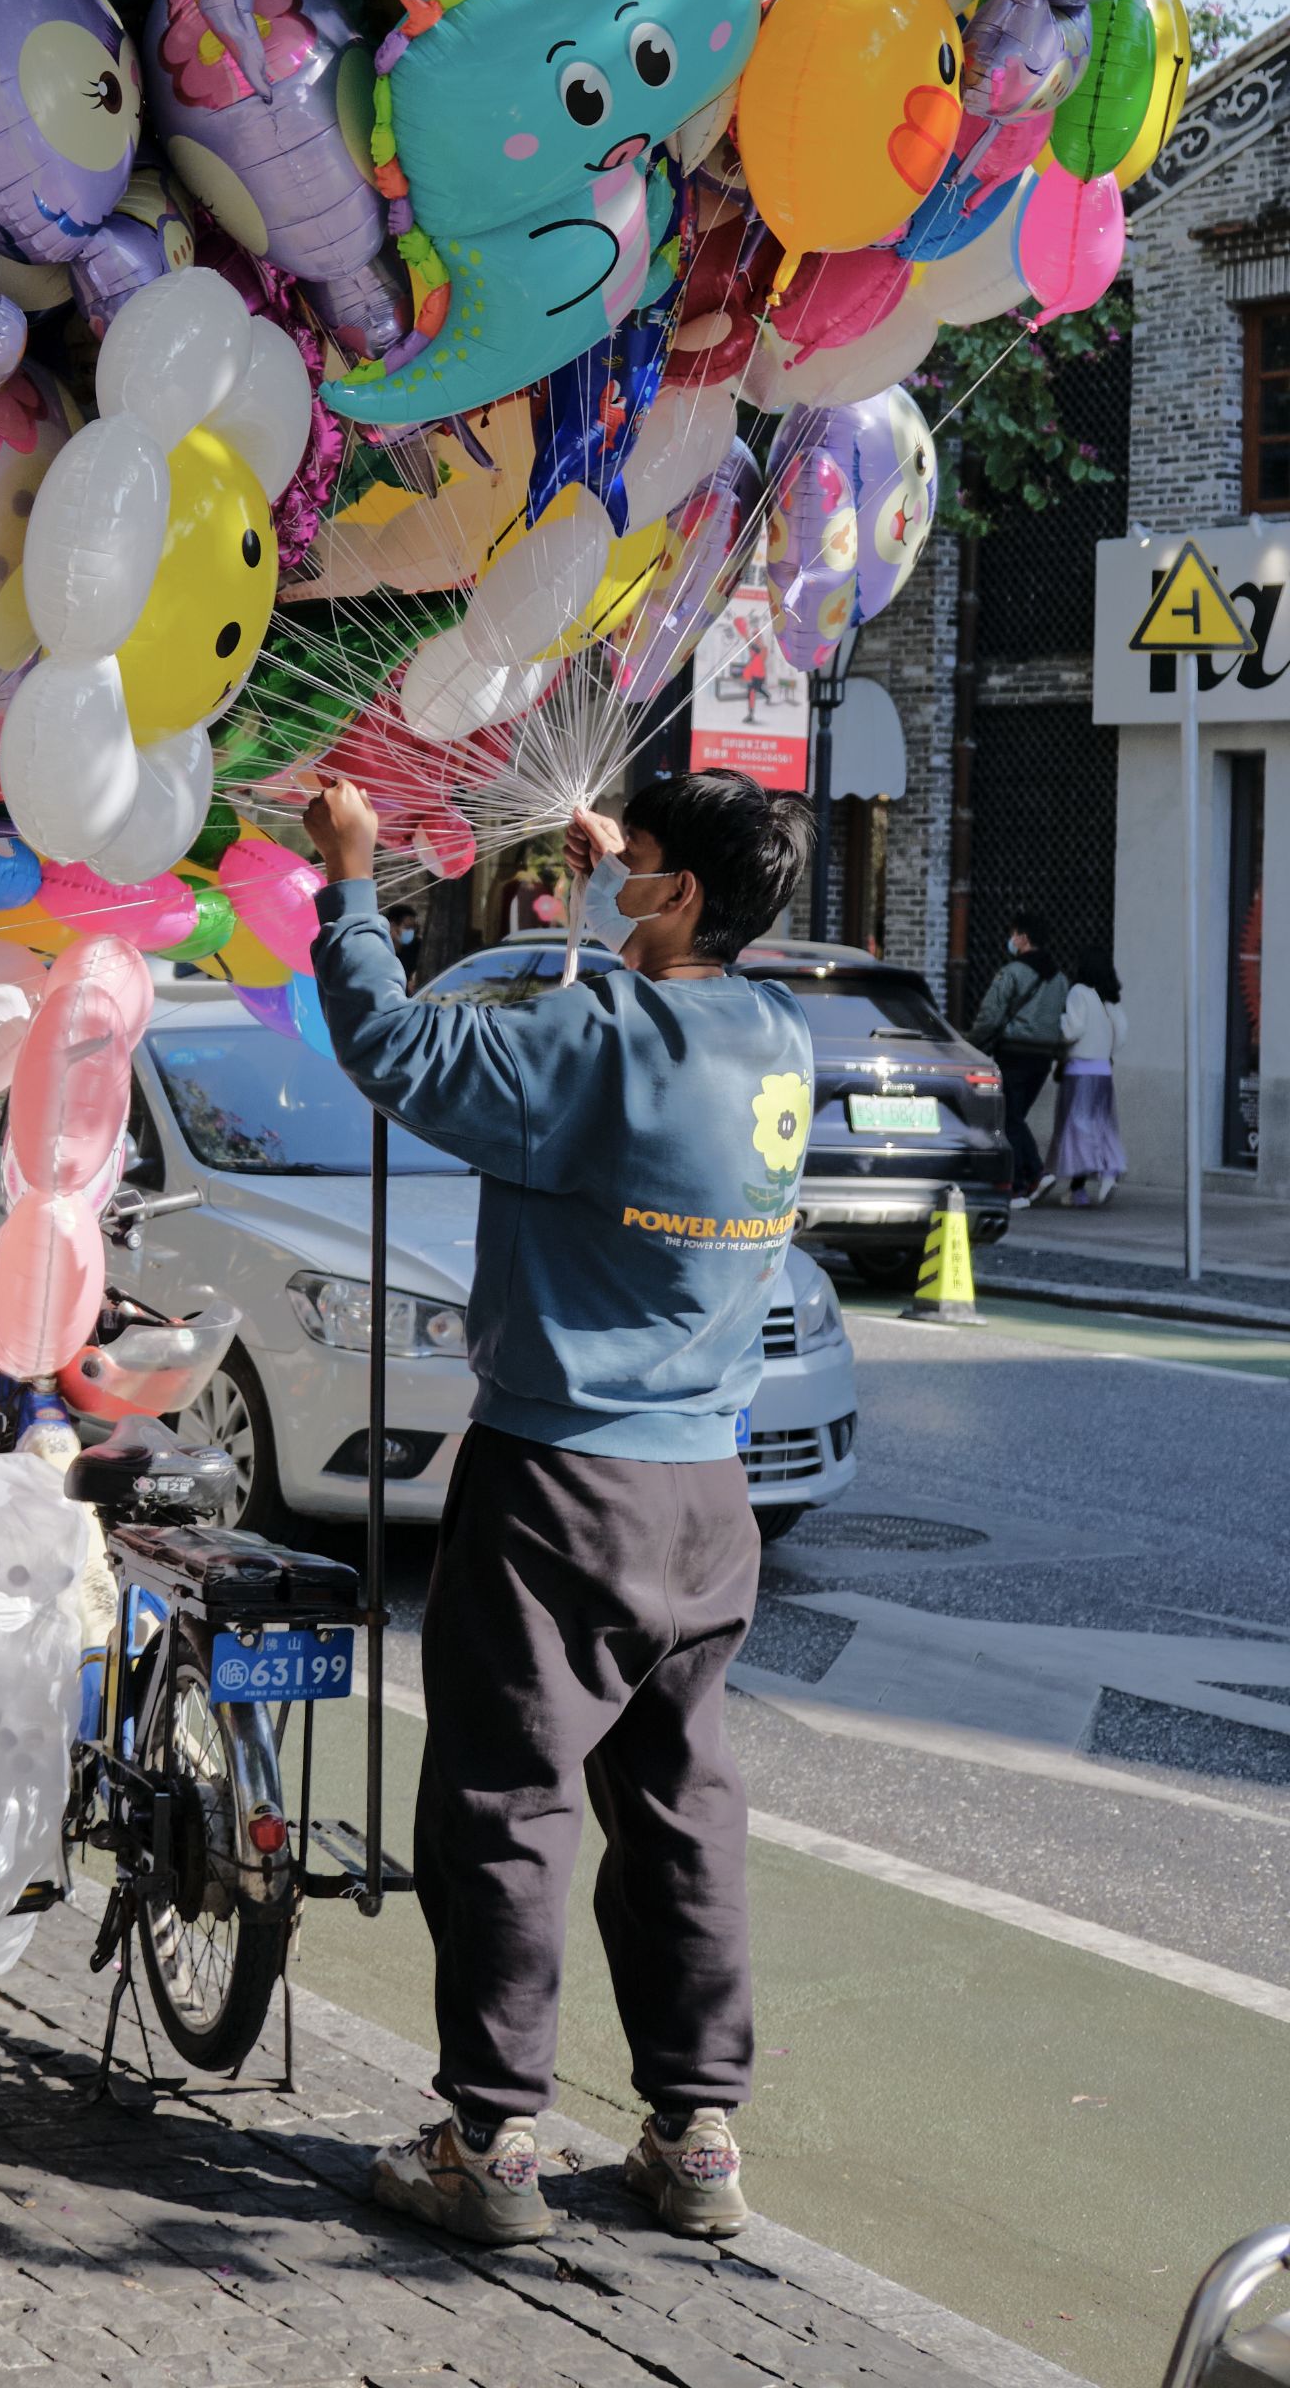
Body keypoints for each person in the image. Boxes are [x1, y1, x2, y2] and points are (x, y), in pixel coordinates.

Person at [300, 763, 813, 2252]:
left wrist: (347, 879)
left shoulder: (589, 1040)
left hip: (558, 1484)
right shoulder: (776, 1039)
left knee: (504, 1804)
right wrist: (613, 876)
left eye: (636, 860)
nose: (615, 873)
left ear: (682, 895)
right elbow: (665, 1008)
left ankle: (490, 2142)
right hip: (709, 1496)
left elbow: (392, 1046)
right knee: (678, 1811)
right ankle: (695, 2134)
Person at [968, 915, 1068, 1200]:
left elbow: (990, 1016)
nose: (1011, 940)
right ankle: (1026, 1180)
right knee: (1015, 1118)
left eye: (1013, 934)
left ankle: (1031, 1177)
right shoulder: (1060, 979)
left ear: (1023, 938)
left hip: (1013, 1052)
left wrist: (971, 1044)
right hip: (1042, 1057)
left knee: (1009, 1118)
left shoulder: (1012, 972)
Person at [1046, 961, 1128, 1206]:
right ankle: (1103, 1173)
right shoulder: (1109, 1000)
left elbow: (1073, 1029)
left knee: (1076, 1128)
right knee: (1101, 1125)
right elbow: (1122, 1033)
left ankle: (1079, 1189)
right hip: (1103, 1070)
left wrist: (1059, 1026)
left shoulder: (1079, 992)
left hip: (1079, 1071)